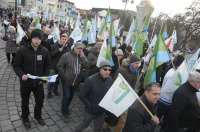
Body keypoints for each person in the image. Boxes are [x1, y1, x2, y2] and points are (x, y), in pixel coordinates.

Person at [12, 29, 50, 129]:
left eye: (39, 38)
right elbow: (16, 66)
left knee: (40, 101)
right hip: (26, 83)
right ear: (31, 38)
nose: (37, 41)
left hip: (38, 83)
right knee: (25, 101)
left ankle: (37, 115)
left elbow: (47, 66)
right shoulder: (22, 50)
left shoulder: (44, 51)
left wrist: (44, 78)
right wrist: (21, 75)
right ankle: (25, 117)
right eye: (35, 38)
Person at [74, 60, 114, 132]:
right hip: (90, 111)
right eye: (105, 69)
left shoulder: (110, 79)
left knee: (98, 129)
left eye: (109, 70)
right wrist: (90, 106)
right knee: (84, 125)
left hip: (102, 112)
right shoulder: (91, 80)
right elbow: (82, 95)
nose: (107, 71)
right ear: (100, 69)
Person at [57, 42, 89, 116]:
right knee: (67, 96)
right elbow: (59, 65)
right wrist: (64, 75)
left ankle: (66, 107)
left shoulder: (82, 57)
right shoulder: (67, 55)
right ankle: (64, 111)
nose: (80, 50)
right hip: (66, 81)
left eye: (81, 48)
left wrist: (82, 57)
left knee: (71, 96)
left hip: (76, 82)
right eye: (78, 48)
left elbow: (87, 66)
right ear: (74, 48)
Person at [157, 55, 185, 130]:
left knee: (166, 119)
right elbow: (171, 88)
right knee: (157, 118)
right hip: (164, 100)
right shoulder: (172, 74)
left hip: (168, 100)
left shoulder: (174, 71)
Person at [47, 34, 70, 98]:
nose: (64, 40)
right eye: (63, 39)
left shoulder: (67, 47)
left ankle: (55, 90)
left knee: (57, 80)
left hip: (61, 68)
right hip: (53, 66)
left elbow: (68, 55)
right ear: (60, 39)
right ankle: (49, 92)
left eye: (65, 39)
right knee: (51, 81)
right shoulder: (55, 45)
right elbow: (50, 55)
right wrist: (58, 51)